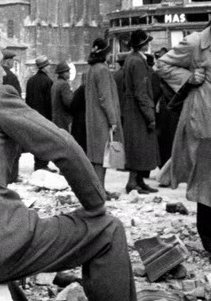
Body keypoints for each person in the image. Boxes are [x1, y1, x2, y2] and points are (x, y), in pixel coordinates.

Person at [0, 29, 137, 301]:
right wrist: (95, 204)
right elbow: (64, 146)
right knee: (108, 230)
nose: (3, 72)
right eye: (0, 65)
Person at [157, 19, 211, 254]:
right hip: (204, 123)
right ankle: (209, 241)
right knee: (206, 184)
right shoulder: (196, 42)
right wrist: (189, 79)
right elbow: (163, 65)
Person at [84, 37, 123, 199]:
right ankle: (100, 192)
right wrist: (113, 120)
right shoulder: (103, 70)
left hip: (92, 118)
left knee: (95, 157)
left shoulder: (91, 70)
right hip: (102, 119)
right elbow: (106, 98)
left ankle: (98, 190)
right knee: (103, 157)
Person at [123, 29, 159, 194]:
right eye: (146, 42)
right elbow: (141, 92)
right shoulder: (138, 62)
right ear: (142, 44)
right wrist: (150, 116)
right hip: (138, 111)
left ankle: (138, 181)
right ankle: (133, 182)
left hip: (132, 109)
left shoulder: (131, 59)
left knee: (137, 147)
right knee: (139, 147)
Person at [25, 55, 53, 170]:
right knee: (45, 142)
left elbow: (27, 100)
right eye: (48, 65)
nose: (50, 67)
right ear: (44, 67)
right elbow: (49, 102)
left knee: (36, 142)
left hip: (32, 116)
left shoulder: (30, 81)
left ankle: (38, 164)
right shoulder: (48, 81)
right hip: (44, 117)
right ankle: (42, 165)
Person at [1, 49, 22, 183]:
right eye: (12, 61)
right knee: (13, 148)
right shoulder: (11, 76)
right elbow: (17, 97)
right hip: (10, 116)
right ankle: (12, 178)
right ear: (7, 62)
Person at [51, 61, 73, 132]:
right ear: (63, 72)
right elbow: (69, 102)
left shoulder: (55, 83)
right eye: (68, 71)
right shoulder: (64, 84)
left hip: (55, 119)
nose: (69, 73)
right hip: (63, 120)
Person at [69, 75, 87, 154]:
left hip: (78, 120)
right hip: (81, 120)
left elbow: (73, 105)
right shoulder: (85, 89)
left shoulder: (79, 90)